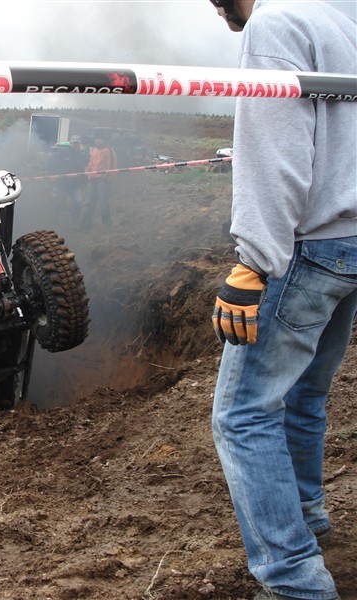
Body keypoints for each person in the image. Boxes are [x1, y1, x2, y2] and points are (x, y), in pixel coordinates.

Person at [208, 2, 356, 600]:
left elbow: (275, 153)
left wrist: (253, 262)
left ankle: (296, 581)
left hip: (312, 246)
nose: (218, 8)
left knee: (242, 415)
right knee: (305, 394)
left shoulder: (278, 25)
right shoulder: (346, 18)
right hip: (353, 240)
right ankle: (310, 520)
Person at [83, 135, 116, 227]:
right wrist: (87, 173)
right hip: (92, 179)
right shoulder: (94, 150)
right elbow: (90, 163)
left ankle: (107, 223)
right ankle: (86, 224)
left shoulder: (108, 150)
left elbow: (113, 165)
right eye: (96, 139)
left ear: (103, 140)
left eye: (99, 139)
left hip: (103, 180)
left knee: (103, 202)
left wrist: (109, 178)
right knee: (89, 202)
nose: (97, 141)